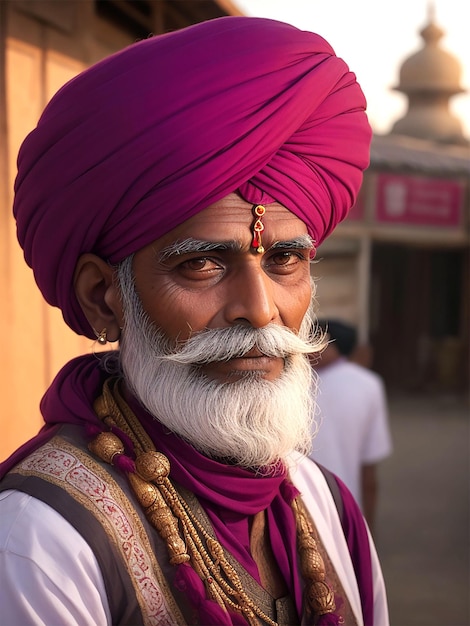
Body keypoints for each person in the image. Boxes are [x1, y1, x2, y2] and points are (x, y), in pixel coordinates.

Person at [0, 16, 388, 626]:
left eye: (286, 260)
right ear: (105, 297)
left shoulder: (324, 502)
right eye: (203, 265)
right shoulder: (40, 543)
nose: (260, 310)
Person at [309, 320, 393, 533]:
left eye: (315, 339)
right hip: (343, 506)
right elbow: (369, 468)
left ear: (331, 345)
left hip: (305, 503)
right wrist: (367, 531)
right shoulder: (368, 383)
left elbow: (369, 469)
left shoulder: (289, 381)